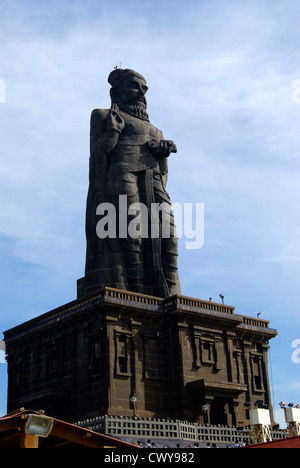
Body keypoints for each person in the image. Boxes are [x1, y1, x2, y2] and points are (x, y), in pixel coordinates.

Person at [83, 68, 181, 299]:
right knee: (131, 234)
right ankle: (135, 294)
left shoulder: (155, 129)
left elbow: (164, 173)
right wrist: (113, 132)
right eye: (134, 86)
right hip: (121, 176)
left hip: (154, 181)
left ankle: (167, 293)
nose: (140, 93)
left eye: (144, 89)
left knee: (168, 235)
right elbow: (97, 156)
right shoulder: (103, 115)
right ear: (115, 91)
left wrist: (163, 153)